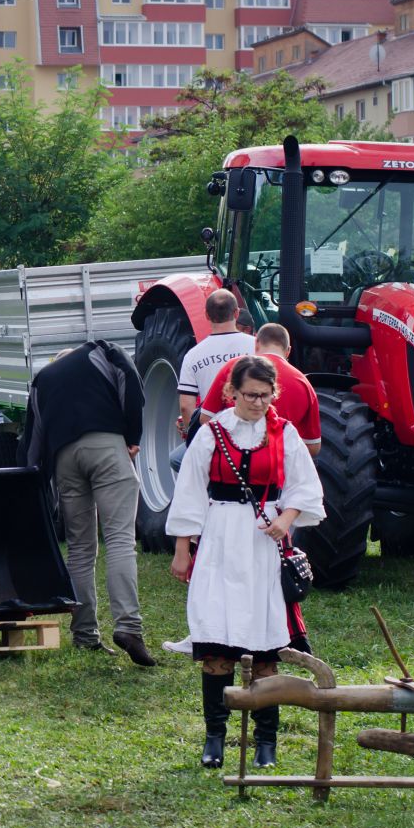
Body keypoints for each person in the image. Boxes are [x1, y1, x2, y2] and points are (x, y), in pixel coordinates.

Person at [165, 355, 326, 769]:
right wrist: (184, 549)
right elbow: (190, 492)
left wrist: (285, 519)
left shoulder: (283, 432)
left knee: (265, 646)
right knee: (217, 641)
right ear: (230, 393)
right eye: (251, 395)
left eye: (266, 395)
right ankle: (214, 738)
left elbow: (305, 487)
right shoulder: (211, 432)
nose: (259, 402)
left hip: (262, 546)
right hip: (219, 537)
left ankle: (265, 742)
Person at [24, 340, 153, 666]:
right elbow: (132, 382)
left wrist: (34, 488)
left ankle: (85, 634)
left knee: (81, 549)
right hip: (106, 446)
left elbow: (32, 441)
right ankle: (128, 627)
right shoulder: (101, 351)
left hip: (65, 459)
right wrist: (133, 436)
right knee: (120, 540)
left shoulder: (43, 380)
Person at [199, 322, 322, 456]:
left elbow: (205, 418)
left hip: (233, 463)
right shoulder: (304, 384)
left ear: (256, 343)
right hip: (278, 469)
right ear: (288, 351)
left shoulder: (234, 367)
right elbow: (313, 446)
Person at [175, 289, 255, 439]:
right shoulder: (257, 346)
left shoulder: (192, 355)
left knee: (176, 459)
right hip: (254, 432)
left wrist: (195, 438)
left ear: (206, 315)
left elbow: (186, 407)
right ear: (236, 313)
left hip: (215, 437)